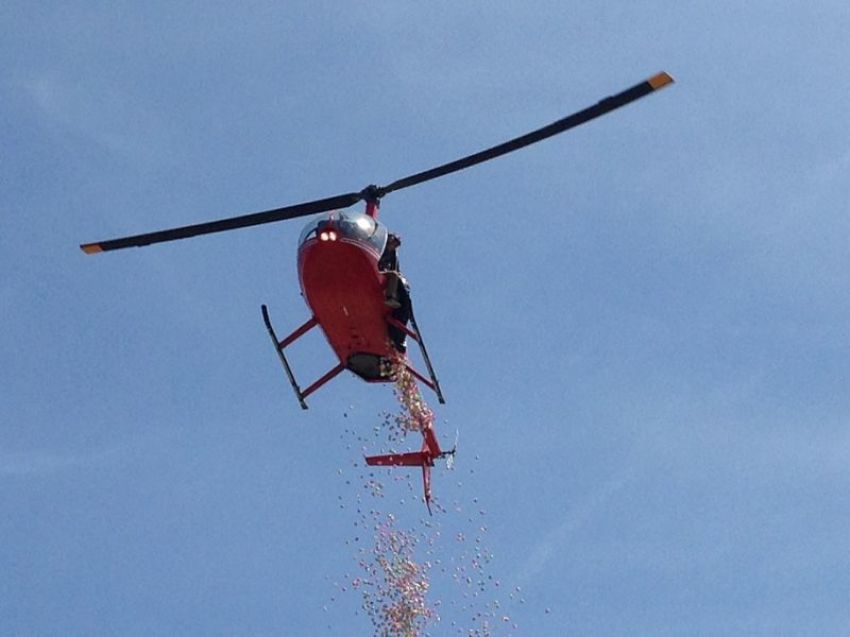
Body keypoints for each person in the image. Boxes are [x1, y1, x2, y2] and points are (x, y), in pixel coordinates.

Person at [379, 233, 411, 352]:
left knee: (394, 276)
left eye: (396, 244)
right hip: (374, 268)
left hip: (381, 273)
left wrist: (403, 281)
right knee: (393, 275)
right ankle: (390, 297)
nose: (394, 245)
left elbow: (396, 269)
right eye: (394, 242)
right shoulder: (380, 246)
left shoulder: (393, 255)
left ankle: (392, 296)